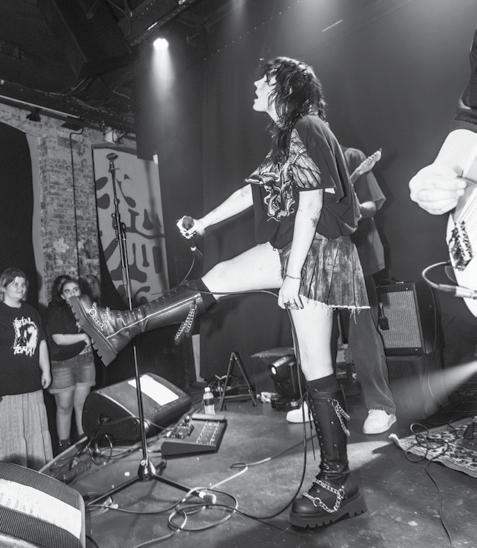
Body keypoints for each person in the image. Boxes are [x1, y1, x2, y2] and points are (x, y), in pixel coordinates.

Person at [69, 57, 369, 528]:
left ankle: (337, 482)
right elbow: (252, 192)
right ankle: (121, 325)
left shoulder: (307, 127)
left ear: (284, 87)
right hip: (297, 248)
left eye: (264, 78)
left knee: (316, 366)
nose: (255, 83)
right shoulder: (287, 139)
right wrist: (205, 222)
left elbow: (312, 203)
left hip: (315, 252)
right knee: (230, 283)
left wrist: (293, 276)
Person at [286, 146, 397, 434]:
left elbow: (373, 204)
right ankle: (318, 403)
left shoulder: (350, 157)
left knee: (363, 336)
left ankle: (381, 406)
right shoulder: (299, 165)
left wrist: (354, 210)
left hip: (356, 257)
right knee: (314, 338)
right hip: (315, 260)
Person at [0, 267, 53, 469]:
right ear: (3, 287)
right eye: (15, 284)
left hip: (31, 383)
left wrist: (46, 370)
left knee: (34, 431)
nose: (20, 288)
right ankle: (13, 474)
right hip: (7, 386)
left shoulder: (31, 311)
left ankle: (37, 472)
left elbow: (41, 342)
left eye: (23, 284)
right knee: (11, 433)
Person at [46, 275, 95, 451]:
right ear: (62, 295)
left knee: (82, 405)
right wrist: (82, 337)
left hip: (85, 359)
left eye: (75, 290)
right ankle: (64, 449)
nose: (72, 293)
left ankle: (83, 445)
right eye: (67, 291)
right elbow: (58, 339)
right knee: (64, 406)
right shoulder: (55, 310)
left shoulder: (87, 307)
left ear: (81, 291)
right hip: (62, 363)